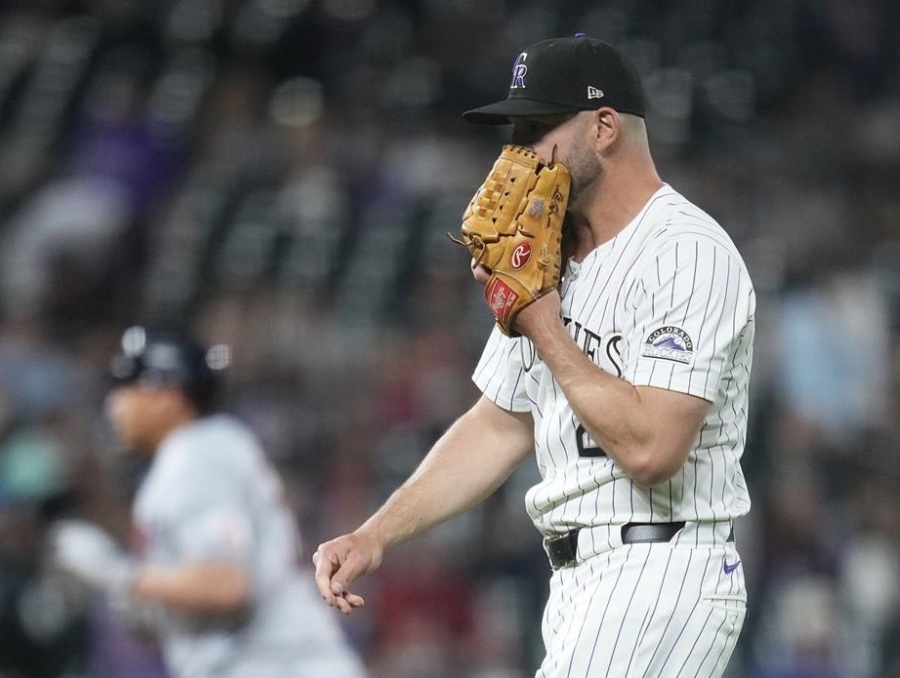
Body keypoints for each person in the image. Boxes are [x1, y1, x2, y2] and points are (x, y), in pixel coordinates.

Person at [314, 34, 755, 677]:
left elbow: (653, 452)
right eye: (513, 129)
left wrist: (544, 325)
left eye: (537, 126)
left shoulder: (685, 253)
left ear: (605, 127)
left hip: (661, 568)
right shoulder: (550, 257)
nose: (517, 151)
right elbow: (498, 423)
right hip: (584, 584)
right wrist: (375, 534)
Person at [51, 326, 366, 678]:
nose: (114, 403)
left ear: (168, 396)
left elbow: (228, 585)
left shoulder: (196, 456)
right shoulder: (208, 448)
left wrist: (117, 573)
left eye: (127, 387)